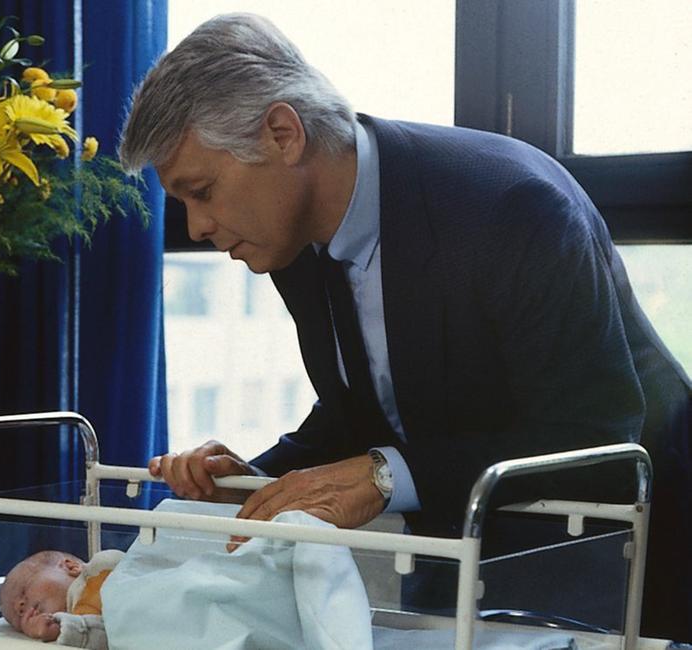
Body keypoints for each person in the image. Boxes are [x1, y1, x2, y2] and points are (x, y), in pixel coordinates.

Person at [119, 13, 691, 640]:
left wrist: (383, 475)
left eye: (201, 191)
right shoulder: (293, 237)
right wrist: (259, 483)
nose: (197, 227)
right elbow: (370, 410)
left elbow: (597, 437)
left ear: (283, 134)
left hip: (630, 552)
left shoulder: (510, 206)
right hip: (468, 554)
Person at [0, 549, 124, 648]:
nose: (19, 607)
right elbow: (110, 637)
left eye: (24, 588)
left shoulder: (99, 568)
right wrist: (59, 631)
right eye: (19, 621)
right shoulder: (79, 619)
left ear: (70, 567)